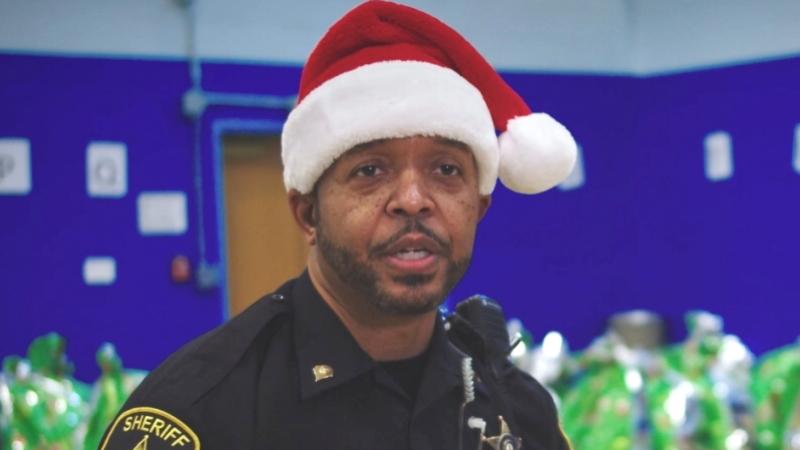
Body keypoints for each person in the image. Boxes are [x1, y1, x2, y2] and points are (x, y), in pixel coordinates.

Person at [99, 1, 577, 449]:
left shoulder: (515, 409)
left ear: (479, 208)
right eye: (370, 171)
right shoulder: (201, 412)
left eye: (446, 170)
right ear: (307, 213)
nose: (413, 200)